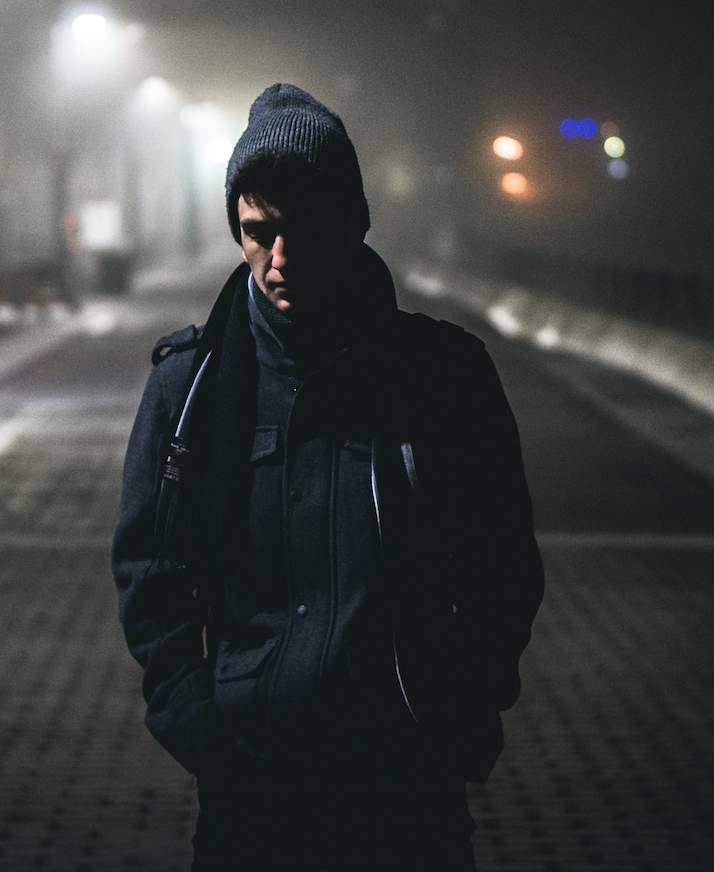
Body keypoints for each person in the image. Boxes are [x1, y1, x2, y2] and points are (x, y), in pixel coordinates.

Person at [112, 83, 543, 871]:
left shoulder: (443, 376)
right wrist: (201, 729)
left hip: (405, 786)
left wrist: (455, 715)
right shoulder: (190, 387)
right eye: (257, 233)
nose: (279, 260)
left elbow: (502, 567)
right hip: (248, 784)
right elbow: (150, 573)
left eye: (302, 233)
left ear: (353, 223)